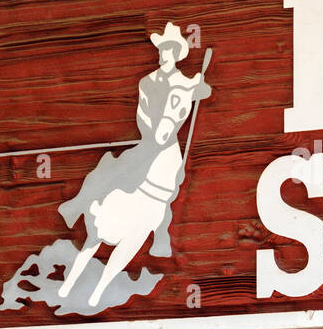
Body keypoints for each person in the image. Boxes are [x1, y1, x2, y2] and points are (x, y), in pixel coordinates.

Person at [58, 23, 210, 253]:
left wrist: (200, 85)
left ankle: (160, 235)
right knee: (113, 165)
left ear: (175, 53)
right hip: (149, 141)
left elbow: (203, 93)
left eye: (167, 50)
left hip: (169, 145)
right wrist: (152, 133)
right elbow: (142, 114)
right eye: (160, 50)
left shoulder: (183, 83)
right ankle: (78, 205)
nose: (162, 54)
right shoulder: (147, 82)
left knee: (171, 185)